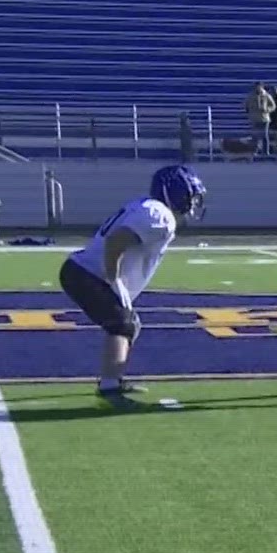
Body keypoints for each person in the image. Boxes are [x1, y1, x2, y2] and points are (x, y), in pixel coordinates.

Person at [58, 165, 204, 403]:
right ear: (176, 191)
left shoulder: (148, 207)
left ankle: (112, 379)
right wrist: (114, 278)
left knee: (128, 324)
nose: (193, 201)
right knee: (122, 324)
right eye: (191, 195)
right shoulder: (160, 216)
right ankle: (109, 388)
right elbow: (115, 241)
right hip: (87, 274)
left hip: (82, 270)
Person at [245, 82, 273, 156]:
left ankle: (266, 151)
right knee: (254, 136)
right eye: (256, 87)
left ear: (262, 87)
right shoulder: (251, 96)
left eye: (259, 87)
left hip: (264, 118)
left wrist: (267, 109)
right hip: (255, 118)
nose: (257, 88)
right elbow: (246, 105)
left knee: (264, 136)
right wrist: (250, 112)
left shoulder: (266, 95)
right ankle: (254, 151)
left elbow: (273, 105)